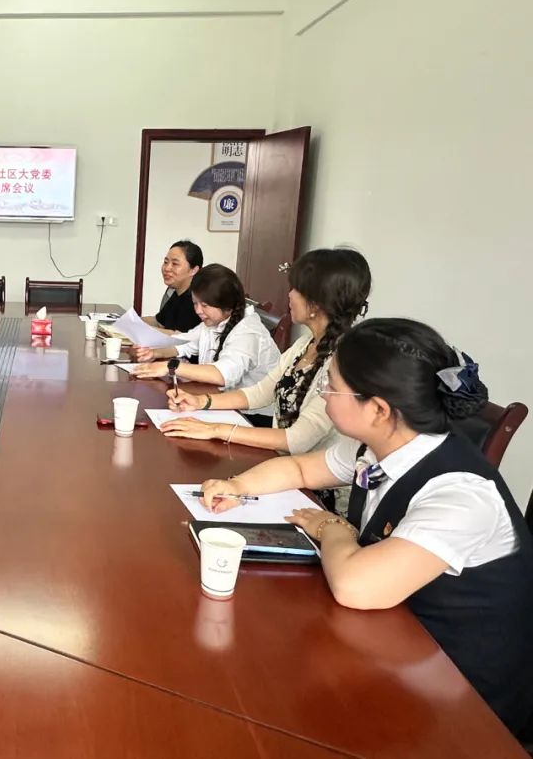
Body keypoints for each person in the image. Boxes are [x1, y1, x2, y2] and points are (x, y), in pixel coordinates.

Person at [198, 318, 533, 733]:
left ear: (378, 409)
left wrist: (332, 529)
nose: (323, 392)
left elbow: (355, 586)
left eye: (332, 385)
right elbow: (301, 469)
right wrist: (236, 485)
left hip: (464, 702)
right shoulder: (379, 445)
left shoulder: (462, 495)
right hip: (391, 642)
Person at [161, 248, 372, 509]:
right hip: (279, 468)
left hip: (317, 492)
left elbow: (297, 439)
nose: (289, 295)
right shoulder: (305, 344)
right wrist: (201, 401)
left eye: (295, 289)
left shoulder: (341, 363)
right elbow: (261, 392)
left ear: (316, 303)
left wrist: (215, 430)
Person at [132, 264, 280, 413]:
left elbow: (222, 375)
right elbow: (183, 343)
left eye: (204, 305)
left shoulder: (248, 332)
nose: (198, 311)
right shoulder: (213, 322)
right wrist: (155, 353)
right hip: (221, 402)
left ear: (226, 304)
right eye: (195, 304)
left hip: (252, 415)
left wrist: (170, 367)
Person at [143, 240, 203, 333]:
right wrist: (129, 320)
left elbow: (180, 336)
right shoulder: (177, 293)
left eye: (175, 264)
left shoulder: (197, 300)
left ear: (193, 270)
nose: (167, 268)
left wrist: (141, 329)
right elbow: (158, 322)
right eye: (166, 262)